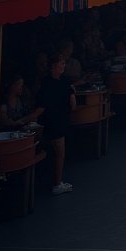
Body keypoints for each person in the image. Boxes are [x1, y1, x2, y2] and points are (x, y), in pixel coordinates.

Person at [39, 53, 76, 195]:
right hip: (58, 121)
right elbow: (73, 105)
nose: (64, 66)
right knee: (60, 154)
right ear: (54, 66)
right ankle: (57, 183)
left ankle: (51, 179)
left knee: (51, 152)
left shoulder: (45, 82)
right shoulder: (66, 83)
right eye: (62, 63)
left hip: (48, 121)